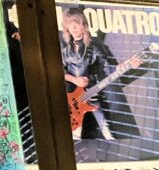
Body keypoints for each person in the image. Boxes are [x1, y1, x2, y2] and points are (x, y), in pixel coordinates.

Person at [60, 6, 141, 142]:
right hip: (73, 97)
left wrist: (125, 64)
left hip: (93, 93)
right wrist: (75, 80)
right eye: (70, 23)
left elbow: (108, 66)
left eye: (77, 23)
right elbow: (59, 71)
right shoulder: (65, 50)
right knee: (75, 133)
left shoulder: (94, 45)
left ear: (84, 26)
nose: (74, 27)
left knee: (106, 128)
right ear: (66, 26)